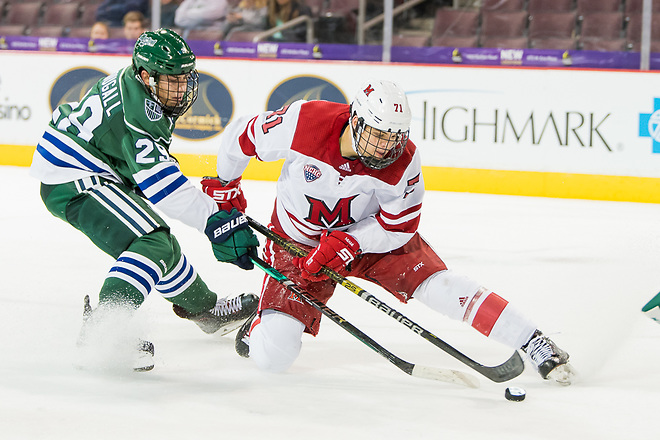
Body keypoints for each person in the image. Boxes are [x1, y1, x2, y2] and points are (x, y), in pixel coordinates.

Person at [207, 79, 576, 385]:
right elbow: (242, 136)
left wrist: (353, 241)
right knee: (273, 358)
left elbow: (399, 225)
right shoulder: (305, 121)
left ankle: (533, 340)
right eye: (378, 136)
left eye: (394, 138)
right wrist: (226, 186)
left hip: (372, 241)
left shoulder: (403, 160)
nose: (387, 147)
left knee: (443, 287)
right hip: (298, 244)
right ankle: (259, 322)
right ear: (356, 120)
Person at [30, 29, 258, 371]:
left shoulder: (138, 86)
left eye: (185, 79)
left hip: (90, 165)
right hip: (73, 177)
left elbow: (145, 162)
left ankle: (204, 309)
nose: (181, 88)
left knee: (160, 245)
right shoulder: (140, 111)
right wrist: (215, 220)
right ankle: (104, 329)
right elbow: (162, 187)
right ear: (146, 76)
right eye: (172, 80)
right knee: (152, 243)